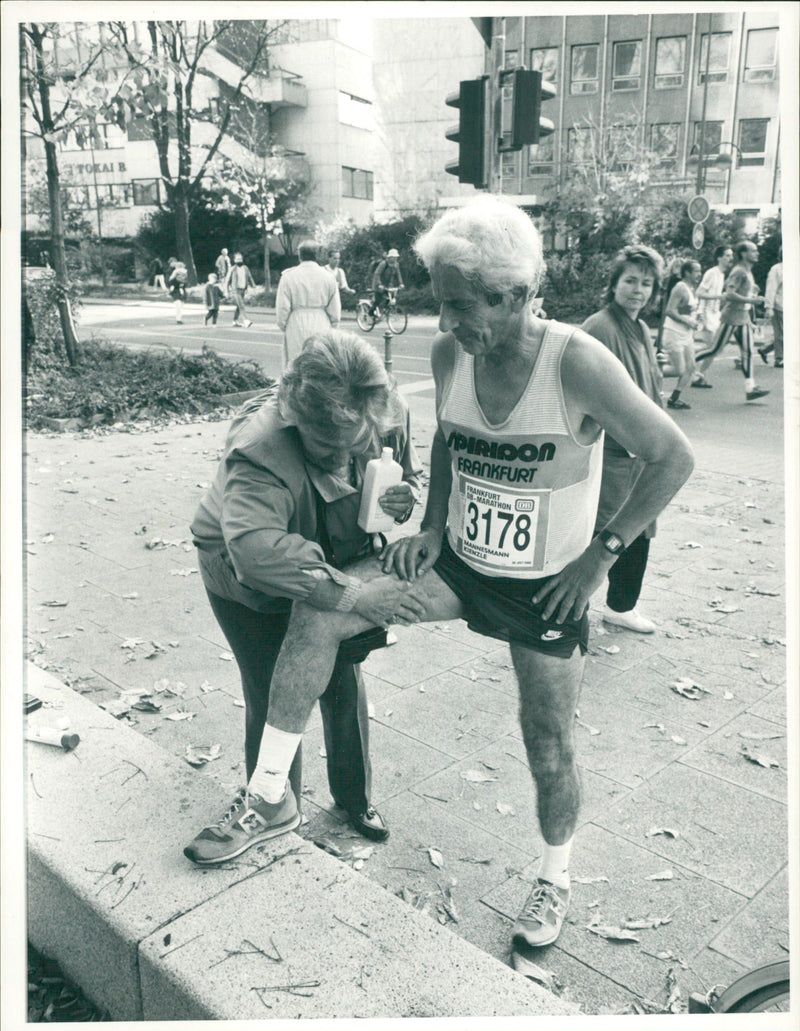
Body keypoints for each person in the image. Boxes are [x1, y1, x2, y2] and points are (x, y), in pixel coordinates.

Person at [190, 197, 694, 953]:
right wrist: (430, 526)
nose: (449, 322)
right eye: (441, 303)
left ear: (515, 294)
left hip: (544, 587)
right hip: (457, 566)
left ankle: (555, 878)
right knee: (321, 611)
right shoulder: (452, 354)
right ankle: (268, 797)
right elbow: (453, 444)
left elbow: (673, 456)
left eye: (461, 306)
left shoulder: (578, 363)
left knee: (548, 741)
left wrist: (601, 555)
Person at [185, 330, 422, 864]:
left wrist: (401, 500)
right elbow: (254, 550)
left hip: (333, 551)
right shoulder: (259, 446)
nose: (343, 459)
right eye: (326, 447)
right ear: (293, 413)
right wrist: (354, 594)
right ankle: (271, 804)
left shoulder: (387, 408)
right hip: (247, 582)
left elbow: (404, 477)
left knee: (342, 682)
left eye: (355, 443)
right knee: (274, 689)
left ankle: (354, 800)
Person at [582, 245, 665, 635]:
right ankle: (572, 602)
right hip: (612, 451)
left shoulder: (642, 328)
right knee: (604, 530)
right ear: (614, 283)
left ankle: (621, 606)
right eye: (630, 280)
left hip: (640, 452)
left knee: (640, 526)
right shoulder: (599, 326)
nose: (638, 290)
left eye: (647, 283)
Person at [694, 240, 769, 401]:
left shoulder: (747, 271)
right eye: (753, 251)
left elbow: (742, 292)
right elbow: (729, 294)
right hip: (731, 316)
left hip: (743, 318)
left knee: (748, 351)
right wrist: (751, 301)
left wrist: (754, 296)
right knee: (714, 350)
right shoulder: (739, 271)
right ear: (743, 254)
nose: (757, 253)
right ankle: (687, 363)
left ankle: (750, 387)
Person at [275, 241, 341, 370]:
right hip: (322, 321)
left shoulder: (289, 276)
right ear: (317, 255)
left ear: (299, 256)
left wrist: (284, 325)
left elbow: (282, 307)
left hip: (296, 322)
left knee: (296, 363)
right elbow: (335, 308)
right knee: (320, 363)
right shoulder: (328, 277)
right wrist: (333, 325)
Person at [662, 259, 703, 411]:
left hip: (686, 335)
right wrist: (687, 322)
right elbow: (670, 310)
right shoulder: (680, 287)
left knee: (691, 368)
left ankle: (674, 399)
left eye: (700, 271)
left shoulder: (692, 288)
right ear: (687, 273)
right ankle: (648, 373)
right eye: (696, 271)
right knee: (678, 369)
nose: (699, 274)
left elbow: (687, 310)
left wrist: (696, 319)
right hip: (673, 333)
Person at [692, 246, 734, 388]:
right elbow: (699, 292)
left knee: (715, 348)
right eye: (727, 255)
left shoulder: (722, 275)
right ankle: (695, 371)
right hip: (706, 313)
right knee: (713, 347)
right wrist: (719, 296)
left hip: (715, 314)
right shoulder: (712, 273)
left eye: (731, 255)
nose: (730, 258)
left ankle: (697, 372)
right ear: (719, 258)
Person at [762, 249, 783, 369]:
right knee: (781, 334)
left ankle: (765, 350)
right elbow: (771, 288)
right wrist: (768, 307)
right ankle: (779, 359)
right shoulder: (777, 269)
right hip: (779, 306)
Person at [370, 248, 404, 317]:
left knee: (390, 298)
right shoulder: (383, 264)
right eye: (394, 257)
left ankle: (383, 311)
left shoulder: (396, 265)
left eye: (396, 257)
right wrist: (379, 284)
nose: (395, 259)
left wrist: (401, 283)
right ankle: (371, 312)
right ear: (390, 257)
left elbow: (398, 274)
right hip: (378, 284)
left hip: (387, 284)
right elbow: (377, 274)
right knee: (378, 299)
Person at [228, 252, 255, 328]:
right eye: (237, 259)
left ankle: (235, 321)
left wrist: (253, 285)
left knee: (238, 306)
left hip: (243, 290)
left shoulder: (245, 268)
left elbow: (249, 277)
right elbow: (227, 280)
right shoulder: (232, 269)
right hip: (235, 290)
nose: (239, 260)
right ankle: (246, 321)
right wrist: (226, 291)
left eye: (240, 258)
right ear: (234, 260)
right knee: (241, 305)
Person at [168, 259, 188, 324]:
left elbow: (185, 284)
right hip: (177, 291)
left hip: (181, 291)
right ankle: (178, 318)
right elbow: (171, 283)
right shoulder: (173, 279)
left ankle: (179, 317)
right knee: (178, 305)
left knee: (180, 305)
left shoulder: (184, 278)